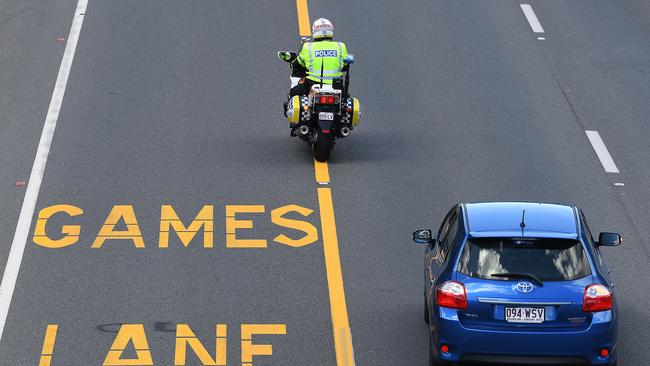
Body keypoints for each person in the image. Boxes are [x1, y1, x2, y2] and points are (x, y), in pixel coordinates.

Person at [282, 18, 350, 104]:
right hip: (336, 85)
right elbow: (345, 64)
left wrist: (293, 63)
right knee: (345, 100)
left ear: (315, 31)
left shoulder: (308, 46)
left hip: (312, 84)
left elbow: (299, 63)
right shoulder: (341, 46)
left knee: (293, 93)